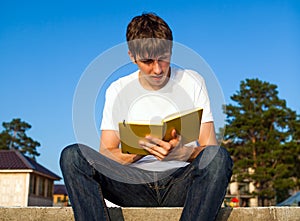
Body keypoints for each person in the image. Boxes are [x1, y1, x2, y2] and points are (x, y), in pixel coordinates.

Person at [60, 13, 233, 221]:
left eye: (164, 59)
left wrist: (182, 153)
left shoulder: (193, 81)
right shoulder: (117, 90)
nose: (158, 69)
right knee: (73, 156)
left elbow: (210, 150)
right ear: (132, 56)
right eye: (148, 61)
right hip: (133, 185)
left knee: (220, 158)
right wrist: (140, 151)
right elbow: (106, 153)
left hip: (180, 183)